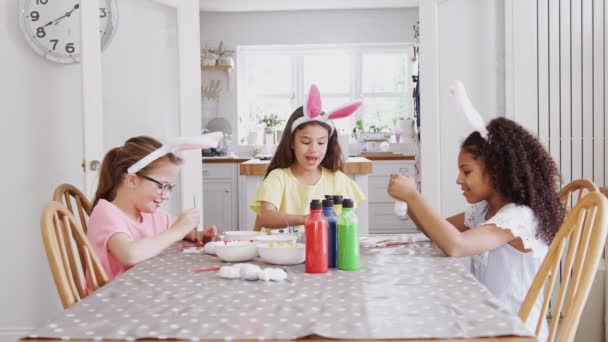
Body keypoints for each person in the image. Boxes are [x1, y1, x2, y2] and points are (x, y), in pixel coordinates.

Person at [388, 85, 564, 341]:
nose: (459, 180)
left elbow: (456, 245)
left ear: (497, 170)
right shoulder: (485, 210)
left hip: (516, 331)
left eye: (466, 171)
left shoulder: (518, 217)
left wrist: (413, 196)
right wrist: (410, 201)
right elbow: (438, 232)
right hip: (488, 321)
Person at [88, 135, 221, 281]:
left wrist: (198, 234)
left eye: (169, 187)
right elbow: (129, 255)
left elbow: (176, 225)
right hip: (111, 300)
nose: (166, 196)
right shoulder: (106, 213)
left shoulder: (150, 214)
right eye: (161, 186)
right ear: (131, 180)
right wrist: (177, 231)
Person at [250, 84, 365, 230]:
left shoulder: (337, 180)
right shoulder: (278, 178)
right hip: (282, 251)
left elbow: (347, 221)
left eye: (321, 142)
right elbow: (265, 216)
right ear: (292, 142)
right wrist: (307, 219)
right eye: (305, 142)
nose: (313, 149)